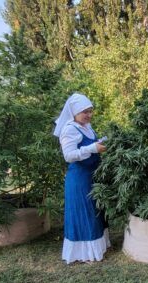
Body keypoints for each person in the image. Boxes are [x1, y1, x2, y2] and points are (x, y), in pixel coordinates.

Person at [53, 93, 110, 263]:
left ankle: (100, 245)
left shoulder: (87, 126)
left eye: (90, 111)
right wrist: (92, 148)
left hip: (93, 175)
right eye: (85, 112)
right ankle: (84, 253)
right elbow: (69, 156)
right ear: (74, 112)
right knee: (84, 212)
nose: (89, 115)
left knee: (95, 211)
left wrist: (100, 143)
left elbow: (88, 145)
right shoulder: (69, 129)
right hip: (80, 178)